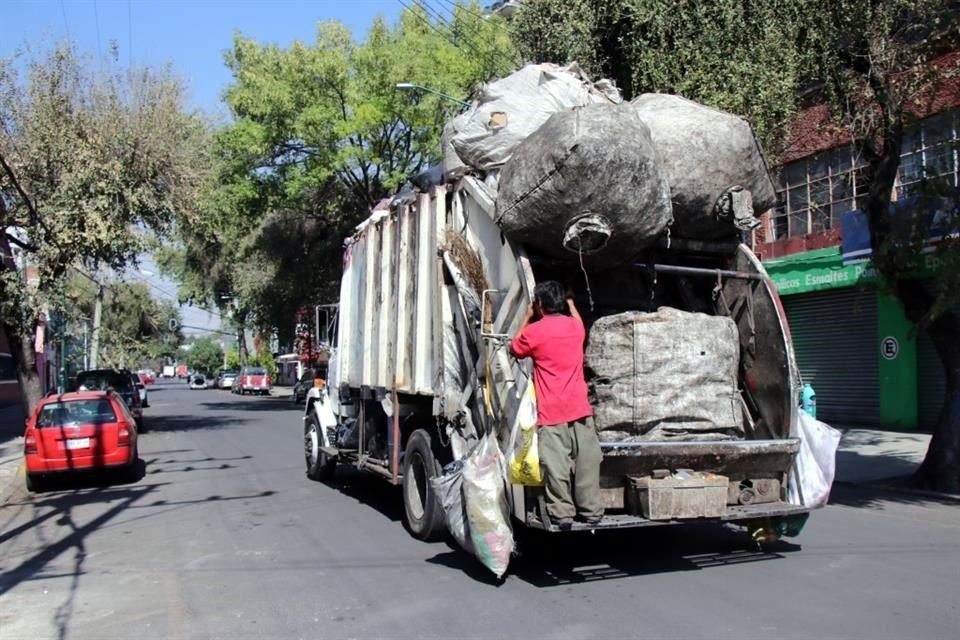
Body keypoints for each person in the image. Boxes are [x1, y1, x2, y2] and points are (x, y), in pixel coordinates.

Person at [510, 280, 603, 527]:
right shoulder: (575, 327)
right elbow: (579, 321)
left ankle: (562, 514)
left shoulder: (535, 332)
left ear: (539, 305)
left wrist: (527, 317)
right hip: (580, 409)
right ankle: (592, 511)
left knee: (557, 466)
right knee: (587, 462)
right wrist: (571, 303)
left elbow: (514, 347)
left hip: (552, 411)